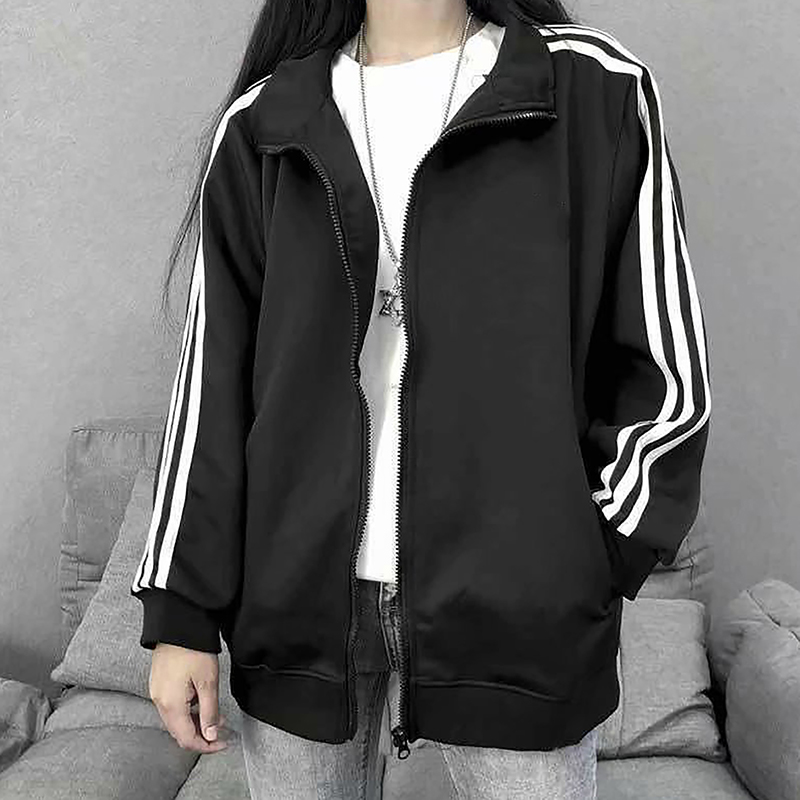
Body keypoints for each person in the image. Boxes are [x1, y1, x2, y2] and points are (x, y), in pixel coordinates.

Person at [129, 0, 712, 796]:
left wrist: (587, 553)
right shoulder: (267, 122)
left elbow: (664, 364)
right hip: (297, 612)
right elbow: (212, 384)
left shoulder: (591, 91)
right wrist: (182, 614)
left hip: (520, 620)